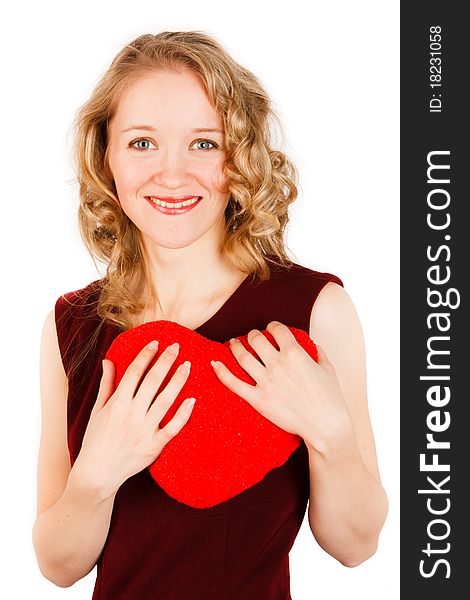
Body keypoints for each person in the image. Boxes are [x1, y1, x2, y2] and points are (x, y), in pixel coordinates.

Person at [32, 31, 388, 599]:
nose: (173, 174)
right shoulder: (72, 325)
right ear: (107, 156)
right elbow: (58, 565)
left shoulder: (316, 311)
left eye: (205, 143)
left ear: (240, 154)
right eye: (142, 143)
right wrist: (98, 474)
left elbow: (355, 546)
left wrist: (331, 435)